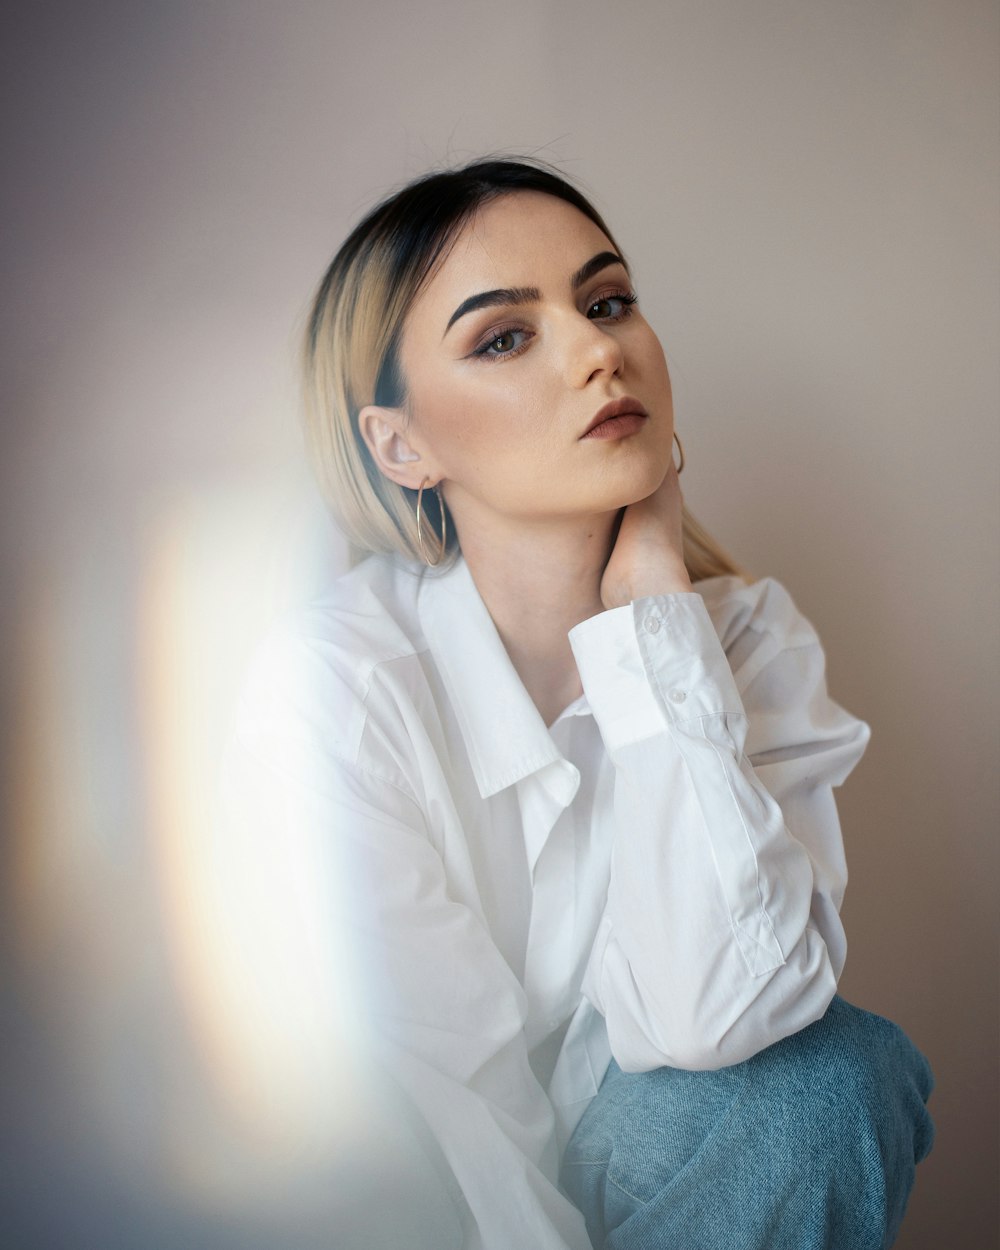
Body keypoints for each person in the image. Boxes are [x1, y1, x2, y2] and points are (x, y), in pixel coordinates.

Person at [221, 158, 934, 1249]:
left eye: (606, 303)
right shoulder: (333, 692)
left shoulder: (747, 636)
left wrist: (651, 616)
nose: (599, 350)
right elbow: (437, 1124)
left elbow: (720, 1015)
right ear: (401, 446)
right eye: (505, 337)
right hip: (414, 1202)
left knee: (831, 1074)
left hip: (659, 1157)